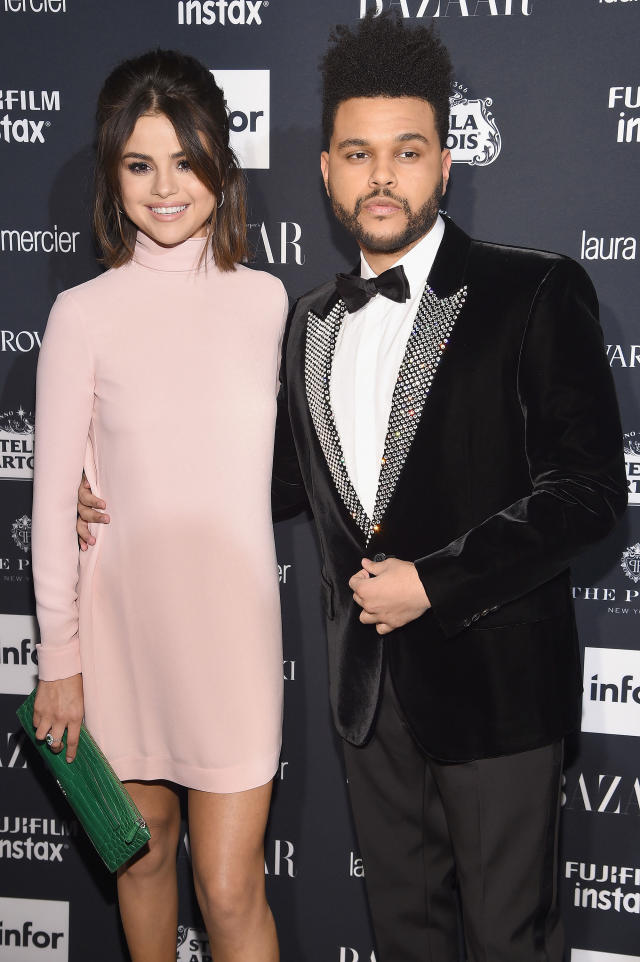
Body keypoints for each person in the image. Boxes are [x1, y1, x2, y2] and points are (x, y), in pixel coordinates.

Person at [77, 15, 628, 962]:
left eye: (406, 152)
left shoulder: (532, 292)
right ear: (327, 171)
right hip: (372, 707)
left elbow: (589, 493)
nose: (383, 176)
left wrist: (437, 579)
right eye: (359, 154)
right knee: (403, 941)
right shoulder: (306, 322)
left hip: (499, 698)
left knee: (510, 945)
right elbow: (268, 480)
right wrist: (113, 487)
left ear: (445, 164)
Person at [31, 50, 285, 962]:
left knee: (229, 887)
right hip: (123, 636)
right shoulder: (83, 315)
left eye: (185, 160)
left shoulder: (268, 302)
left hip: (234, 634)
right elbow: (54, 498)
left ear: (220, 160)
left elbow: (289, 464)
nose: (165, 187)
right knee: (140, 863)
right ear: (113, 175)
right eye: (140, 165)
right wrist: (59, 659)